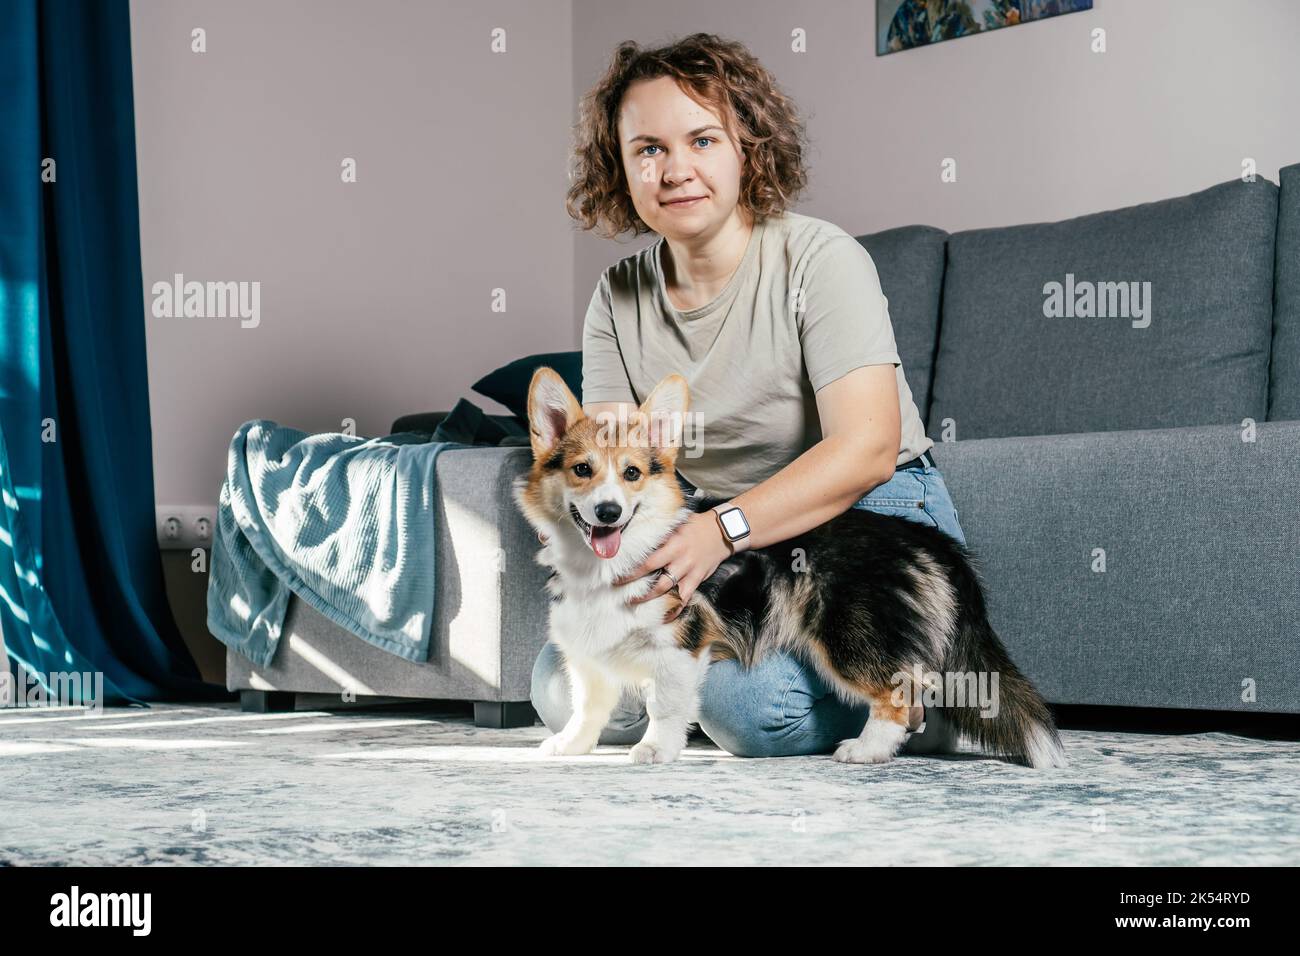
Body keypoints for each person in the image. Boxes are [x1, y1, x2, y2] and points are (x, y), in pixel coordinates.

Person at [532, 33, 968, 758]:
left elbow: (867, 449)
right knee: (563, 683)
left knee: (748, 711)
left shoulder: (822, 260)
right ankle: (853, 683)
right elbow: (610, 466)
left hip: (864, 519)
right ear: (621, 166)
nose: (676, 170)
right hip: (725, 536)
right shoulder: (618, 295)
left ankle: (915, 688)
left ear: (748, 147)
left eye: (702, 139)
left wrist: (720, 533)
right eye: (648, 149)